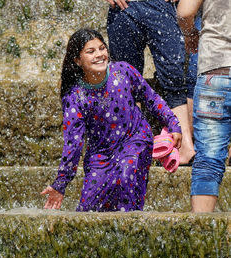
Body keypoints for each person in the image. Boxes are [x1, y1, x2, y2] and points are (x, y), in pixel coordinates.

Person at [41, 28, 182, 212]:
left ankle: (132, 231)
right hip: (101, 154)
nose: (99, 55)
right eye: (91, 52)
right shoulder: (75, 98)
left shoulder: (123, 71)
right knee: (87, 210)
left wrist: (173, 123)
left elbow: (151, 98)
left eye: (102, 48)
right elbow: (73, 145)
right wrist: (60, 184)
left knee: (127, 172)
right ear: (77, 60)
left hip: (135, 138)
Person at [105, 0, 195, 165]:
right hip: (124, 8)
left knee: (174, 77)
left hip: (160, 6)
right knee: (126, 80)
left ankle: (184, 147)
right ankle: (131, 146)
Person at [177, 0, 231, 212]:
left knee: (208, 159)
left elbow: (185, 11)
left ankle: (201, 231)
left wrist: (190, 34)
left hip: (215, 70)